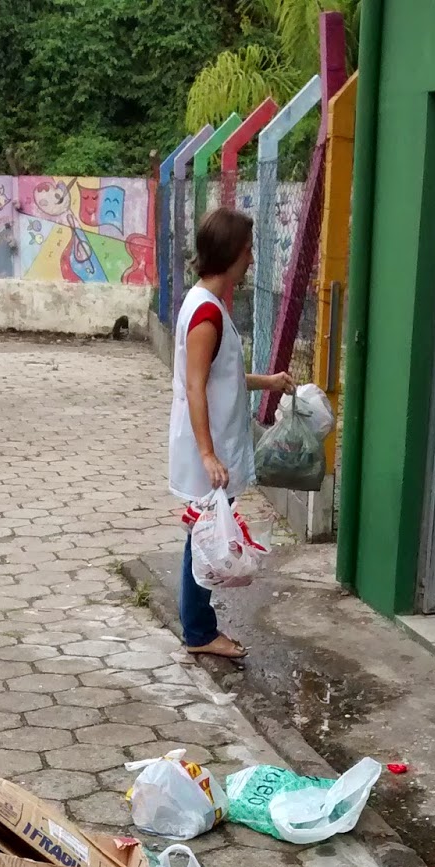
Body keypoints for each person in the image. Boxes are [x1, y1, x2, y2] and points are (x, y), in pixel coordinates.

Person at [169, 206, 293, 660]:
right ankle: (199, 631)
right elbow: (196, 385)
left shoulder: (207, 303)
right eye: (248, 250)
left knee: (203, 533)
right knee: (205, 536)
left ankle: (198, 626)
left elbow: (224, 376)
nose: (252, 259)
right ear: (232, 253)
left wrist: (268, 382)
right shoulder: (206, 313)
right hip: (210, 448)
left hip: (214, 444)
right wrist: (207, 453)